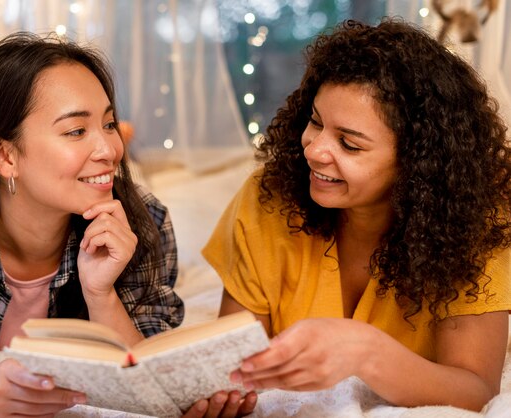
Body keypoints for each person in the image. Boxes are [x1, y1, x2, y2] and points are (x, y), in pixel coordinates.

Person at [0, 32, 249, 418]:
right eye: (76, 131)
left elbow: (148, 370)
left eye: (109, 124)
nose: (109, 151)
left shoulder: (143, 220)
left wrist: (101, 292)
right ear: (4, 156)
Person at [203, 19, 511, 412]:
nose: (313, 150)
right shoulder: (268, 198)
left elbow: (475, 390)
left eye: (349, 144)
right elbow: (233, 367)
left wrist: (366, 353)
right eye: (315, 122)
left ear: (417, 165)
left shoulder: (473, 222)